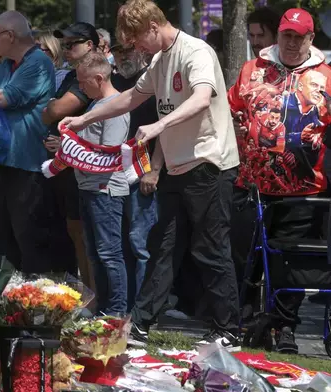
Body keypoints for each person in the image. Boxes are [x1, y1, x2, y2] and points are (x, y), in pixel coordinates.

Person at [61, 0, 241, 350]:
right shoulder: (160, 60)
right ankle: (141, 323)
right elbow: (129, 97)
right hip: (177, 166)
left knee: (210, 248)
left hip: (209, 164)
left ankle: (228, 328)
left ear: (153, 26)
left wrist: (159, 124)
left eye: (137, 40)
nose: (137, 48)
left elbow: (202, 98)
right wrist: (84, 119)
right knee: (163, 246)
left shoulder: (196, 52)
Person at [228, 8, 331, 354]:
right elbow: (229, 108)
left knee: (291, 266)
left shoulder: (326, 76)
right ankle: (247, 323)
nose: (290, 43)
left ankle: (285, 328)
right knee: (246, 259)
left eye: (298, 38)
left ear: (310, 39)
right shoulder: (252, 70)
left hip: (303, 190)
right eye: (286, 35)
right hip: (252, 184)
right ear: (279, 35)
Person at [0, 11, 62, 273]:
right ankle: (6, 302)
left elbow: (5, 98)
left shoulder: (38, 63)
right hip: (4, 161)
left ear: (10, 36)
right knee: (2, 239)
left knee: (30, 239)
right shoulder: (6, 64)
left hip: (29, 164)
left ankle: (36, 303)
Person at [43, 21, 99, 300]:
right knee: (74, 231)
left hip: (86, 168)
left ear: (90, 45)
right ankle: (86, 295)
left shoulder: (88, 78)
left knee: (88, 237)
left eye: (72, 44)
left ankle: (96, 299)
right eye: (63, 45)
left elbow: (55, 110)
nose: (66, 50)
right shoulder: (69, 76)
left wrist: (65, 140)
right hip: (65, 167)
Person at [74, 52, 131, 314]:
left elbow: (109, 151)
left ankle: (116, 311)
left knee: (109, 254)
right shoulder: (96, 104)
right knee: (96, 254)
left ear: (99, 78)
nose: (80, 88)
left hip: (105, 189)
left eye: (83, 82)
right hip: (89, 187)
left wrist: (72, 147)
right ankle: (104, 308)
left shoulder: (115, 106)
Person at [110, 42, 159, 307]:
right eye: (117, 50)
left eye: (128, 49)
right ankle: (121, 307)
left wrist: (154, 170)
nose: (122, 55)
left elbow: (164, 129)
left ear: (141, 49)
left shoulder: (152, 81)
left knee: (140, 245)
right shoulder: (110, 81)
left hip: (143, 173)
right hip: (112, 173)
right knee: (117, 245)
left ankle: (142, 310)